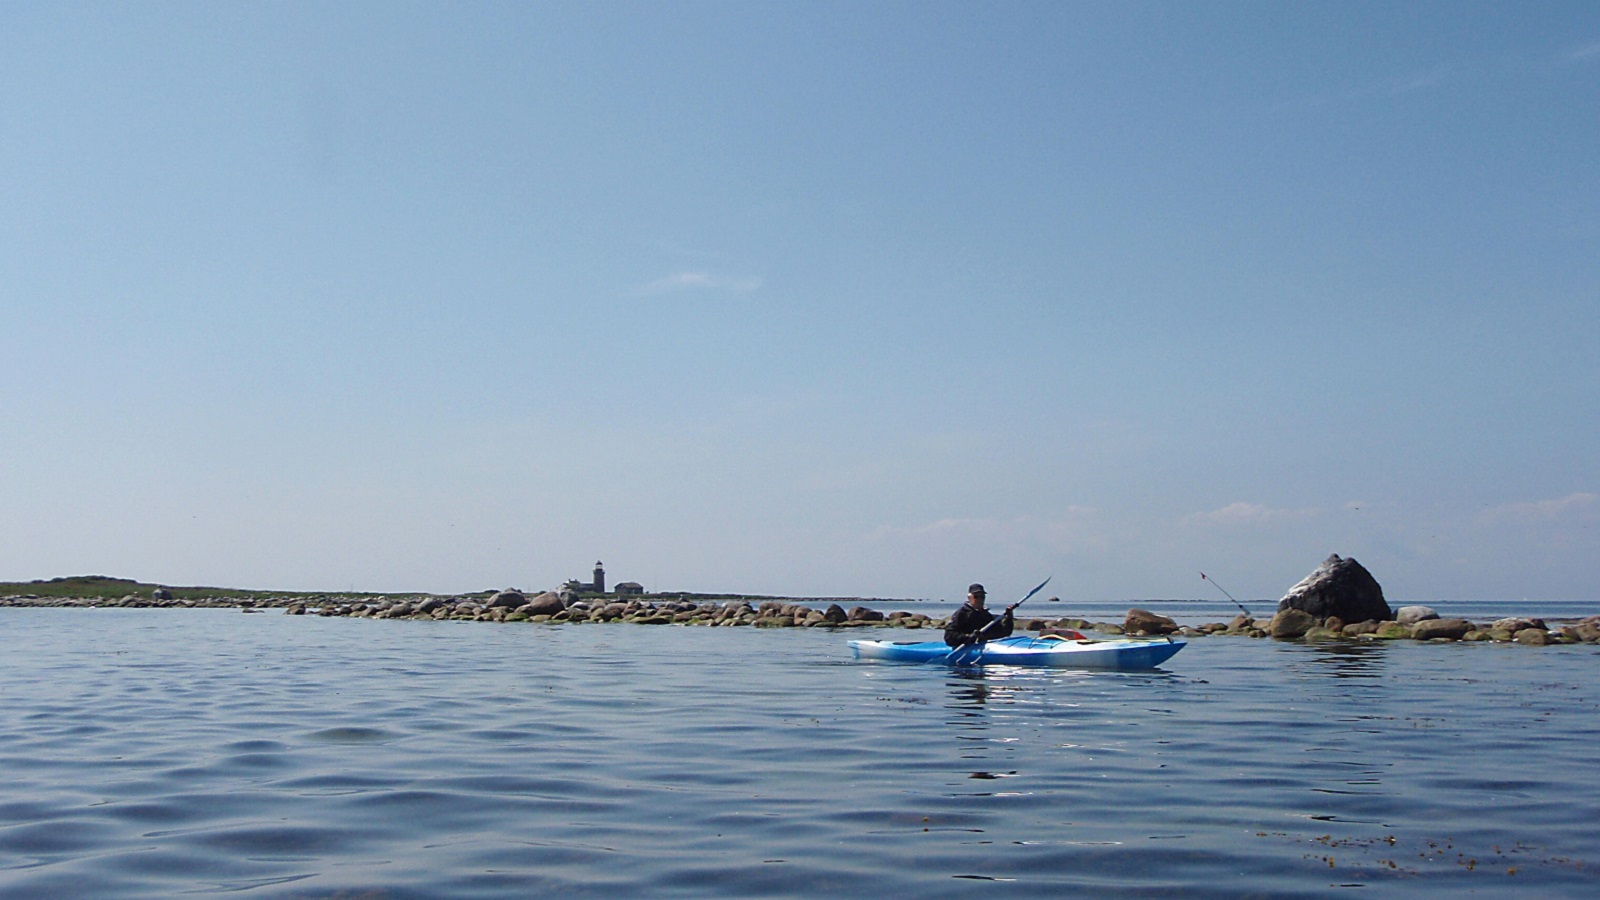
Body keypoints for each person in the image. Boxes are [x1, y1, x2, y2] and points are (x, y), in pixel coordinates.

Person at [944, 583, 1015, 647]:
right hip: (965, 648)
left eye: (982, 597)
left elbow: (1004, 633)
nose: (979, 600)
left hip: (985, 647)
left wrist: (1009, 616)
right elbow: (949, 637)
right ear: (969, 598)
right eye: (976, 597)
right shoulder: (961, 614)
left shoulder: (986, 616)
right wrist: (969, 636)